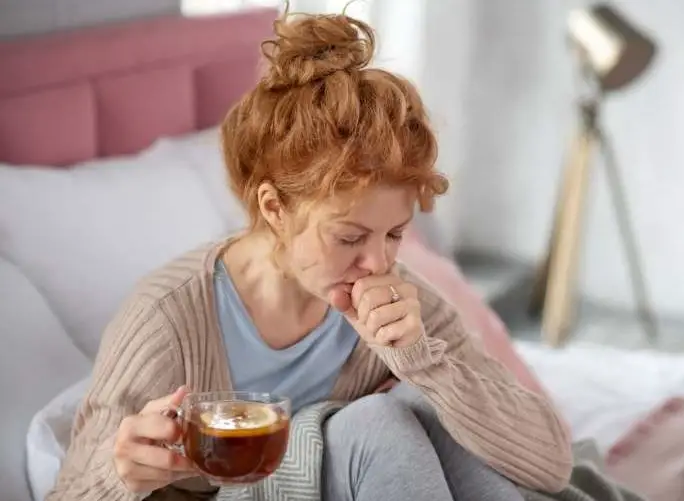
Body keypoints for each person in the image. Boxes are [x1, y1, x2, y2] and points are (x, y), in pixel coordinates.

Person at [47, 10, 572, 501]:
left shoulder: (395, 309)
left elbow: (550, 464)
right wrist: (122, 475)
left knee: (427, 407)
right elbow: (67, 491)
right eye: (349, 238)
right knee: (377, 423)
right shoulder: (169, 319)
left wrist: (422, 362)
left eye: (394, 235)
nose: (377, 263)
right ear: (274, 207)